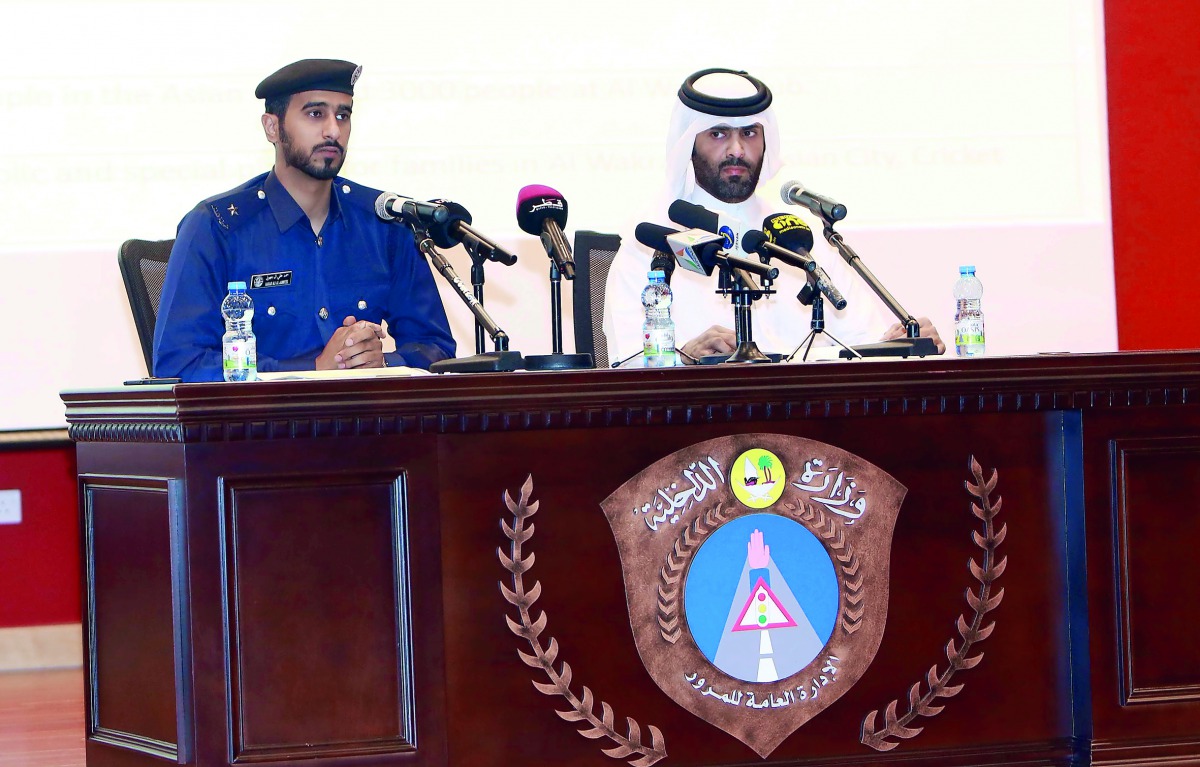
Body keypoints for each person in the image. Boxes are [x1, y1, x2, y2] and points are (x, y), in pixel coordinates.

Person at [602, 68, 943, 364]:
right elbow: (626, 363)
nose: (737, 150)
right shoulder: (652, 237)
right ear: (690, 142)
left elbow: (858, 340)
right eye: (718, 133)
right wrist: (684, 357)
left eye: (749, 133)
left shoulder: (795, 235)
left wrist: (896, 344)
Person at [153, 59, 456, 381]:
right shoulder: (217, 228)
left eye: (343, 115)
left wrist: (381, 363)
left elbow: (435, 348)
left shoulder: (385, 224)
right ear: (272, 127)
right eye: (315, 114)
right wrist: (314, 370)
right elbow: (180, 365)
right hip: (262, 415)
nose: (333, 131)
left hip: (364, 413)